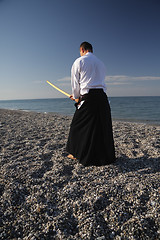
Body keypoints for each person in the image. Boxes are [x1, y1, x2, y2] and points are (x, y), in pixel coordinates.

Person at [66, 41, 115, 166]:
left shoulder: (79, 61)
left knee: (77, 126)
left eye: (80, 51)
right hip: (102, 98)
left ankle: (76, 153)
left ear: (82, 49)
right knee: (100, 127)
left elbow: (75, 83)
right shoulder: (101, 63)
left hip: (89, 97)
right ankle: (104, 157)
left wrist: (76, 97)